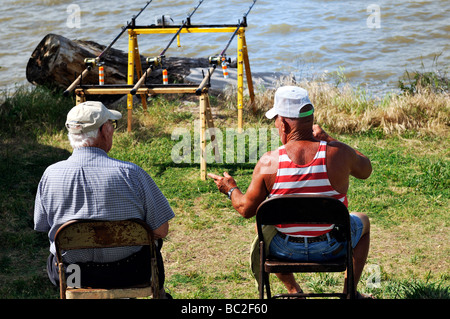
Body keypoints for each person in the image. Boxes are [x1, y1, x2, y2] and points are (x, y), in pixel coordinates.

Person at [208, 86, 372, 298]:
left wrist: (230, 189)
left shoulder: (269, 161)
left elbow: (245, 208)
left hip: (283, 250)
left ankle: (294, 291)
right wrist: (330, 139)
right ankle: (349, 293)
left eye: (275, 120)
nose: (276, 125)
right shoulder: (338, 154)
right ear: (310, 119)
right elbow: (366, 169)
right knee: (363, 221)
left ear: (283, 123)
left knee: (265, 231)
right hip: (332, 247)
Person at [34, 101, 175, 298]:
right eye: (111, 125)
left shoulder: (50, 175)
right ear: (103, 131)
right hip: (130, 273)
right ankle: (160, 294)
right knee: (153, 246)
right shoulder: (132, 174)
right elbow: (161, 230)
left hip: (74, 274)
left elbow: (43, 225)